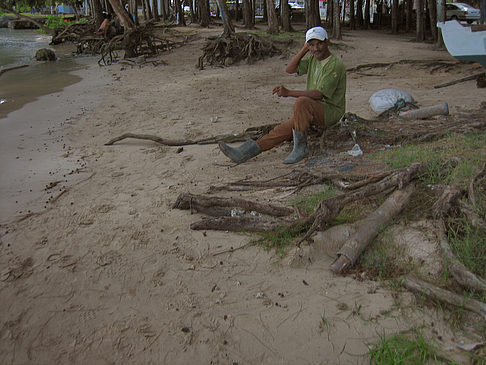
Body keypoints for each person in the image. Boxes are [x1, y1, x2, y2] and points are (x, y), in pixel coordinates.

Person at [218, 26, 346, 164]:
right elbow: (289, 69)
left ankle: (301, 148)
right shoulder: (313, 60)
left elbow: (319, 94)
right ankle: (243, 153)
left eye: (319, 43)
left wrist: (288, 93)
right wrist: (304, 49)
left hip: (331, 111)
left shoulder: (335, 65)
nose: (316, 49)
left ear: (327, 42)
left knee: (301, 102)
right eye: (312, 45)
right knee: (281, 130)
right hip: (315, 108)